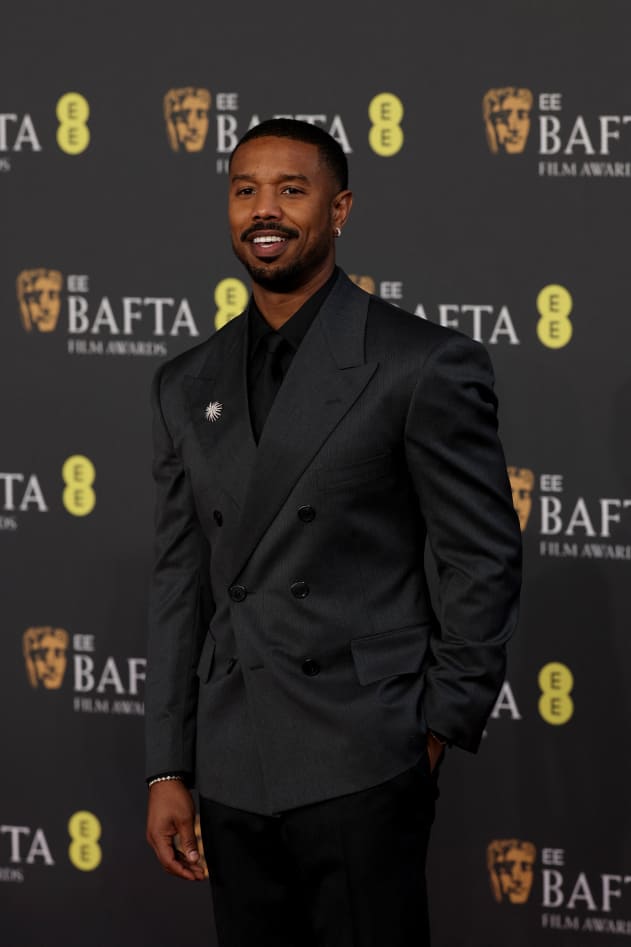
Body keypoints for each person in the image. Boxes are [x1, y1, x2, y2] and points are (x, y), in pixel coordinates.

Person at [145, 118, 522, 946]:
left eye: (291, 188)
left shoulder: (420, 363)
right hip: (232, 764)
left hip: (362, 755)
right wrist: (170, 765)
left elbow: (480, 557)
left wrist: (430, 732)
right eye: (244, 190)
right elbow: (181, 580)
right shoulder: (183, 383)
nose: (263, 209)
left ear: (339, 208)